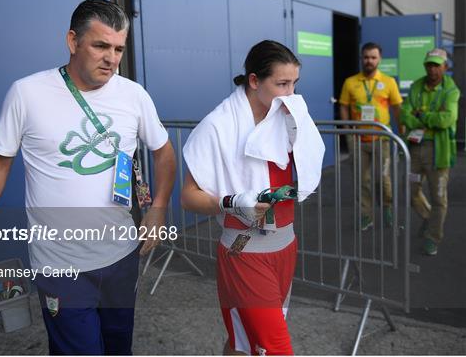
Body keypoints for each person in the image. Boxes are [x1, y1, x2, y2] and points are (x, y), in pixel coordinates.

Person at [0, 0, 175, 355]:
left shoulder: (133, 96)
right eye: (100, 46)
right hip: (59, 264)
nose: (111, 58)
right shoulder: (27, 93)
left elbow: (164, 152)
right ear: (72, 41)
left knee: (118, 346)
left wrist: (158, 208)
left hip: (121, 256)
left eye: (118, 48)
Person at [181, 40, 324, 355]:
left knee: (243, 343)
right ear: (255, 81)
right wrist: (230, 201)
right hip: (244, 251)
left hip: (285, 246)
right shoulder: (217, 126)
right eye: (282, 83)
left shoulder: (289, 118)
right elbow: (188, 197)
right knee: (277, 348)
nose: (291, 93)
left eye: (294, 83)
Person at [400, 48, 460, 256]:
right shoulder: (417, 85)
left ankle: (433, 237)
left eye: (437, 65)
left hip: (438, 151)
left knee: (439, 197)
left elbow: (447, 119)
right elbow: (405, 114)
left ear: (445, 67)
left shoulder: (451, 90)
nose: (432, 69)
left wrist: (422, 115)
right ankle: (428, 218)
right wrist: (427, 117)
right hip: (416, 148)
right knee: (410, 190)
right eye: (429, 64)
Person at [339, 42, 403, 230]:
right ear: (361, 58)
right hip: (358, 140)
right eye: (366, 57)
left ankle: (388, 209)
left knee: (383, 179)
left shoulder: (389, 82)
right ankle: (366, 216)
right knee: (362, 180)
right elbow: (343, 105)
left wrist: (402, 132)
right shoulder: (350, 82)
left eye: (373, 57)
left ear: (379, 59)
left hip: (381, 139)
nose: (369, 60)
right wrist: (347, 129)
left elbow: (397, 107)